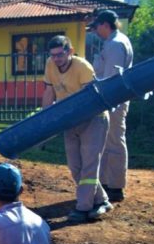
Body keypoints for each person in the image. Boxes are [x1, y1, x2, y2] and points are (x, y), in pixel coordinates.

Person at [42, 35, 112, 223]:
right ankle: (102, 201)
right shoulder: (50, 64)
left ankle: (83, 208)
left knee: (89, 164)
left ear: (70, 51)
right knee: (75, 167)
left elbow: (89, 101)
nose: (56, 59)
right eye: (53, 55)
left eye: (60, 55)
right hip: (70, 121)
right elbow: (49, 92)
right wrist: (44, 120)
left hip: (93, 119)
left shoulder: (83, 68)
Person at [90, 9, 134, 202]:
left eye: (96, 27)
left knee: (115, 141)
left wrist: (104, 101)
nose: (95, 31)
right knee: (108, 141)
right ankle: (108, 183)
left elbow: (111, 78)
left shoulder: (115, 44)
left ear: (105, 25)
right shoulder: (114, 41)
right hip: (113, 99)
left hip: (114, 99)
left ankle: (116, 186)